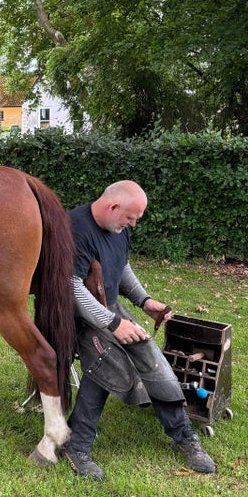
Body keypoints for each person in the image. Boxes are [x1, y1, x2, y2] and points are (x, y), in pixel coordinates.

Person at [61, 180, 215, 481]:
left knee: (152, 359)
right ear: (112, 207)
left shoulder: (118, 228)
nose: (132, 224)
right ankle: (77, 447)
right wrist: (113, 324)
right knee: (105, 364)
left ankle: (183, 435)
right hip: (76, 317)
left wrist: (144, 301)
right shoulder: (75, 230)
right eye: (130, 218)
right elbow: (72, 287)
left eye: (135, 219)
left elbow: (121, 266)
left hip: (110, 309)